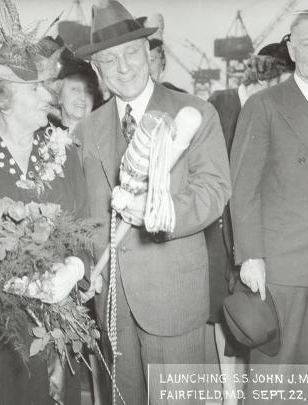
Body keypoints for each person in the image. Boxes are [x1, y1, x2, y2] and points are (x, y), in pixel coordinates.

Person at [73, 1, 231, 404]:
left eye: (131, 53)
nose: (123, 66)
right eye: (110, 59)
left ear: (149, 54)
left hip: (173, 296)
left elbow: (214, 190)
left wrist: (158, 212)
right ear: (97, 69)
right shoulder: (88, 129)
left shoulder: (194, 112)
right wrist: (84, 267)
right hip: (112, 299)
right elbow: (82, 212)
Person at [0, 35, 89, 405]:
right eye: (38, 88)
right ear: (3, 97)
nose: (49, 97)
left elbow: (85, 232)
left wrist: (74, 268)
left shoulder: (64, 151)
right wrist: (22, 283)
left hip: (54, 322)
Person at [230, 9, 308, 401]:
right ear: (292, 48)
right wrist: (250, 256)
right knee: (273, 377)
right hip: (280, 265)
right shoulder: (264, 105)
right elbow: (242, 187)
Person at [206, 39, 294, 403]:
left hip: (258, 225)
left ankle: (253, 389)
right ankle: (229, 392)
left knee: (256, 309)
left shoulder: (271, 108)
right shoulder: (221, 104)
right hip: (220, 229)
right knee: (223, 310)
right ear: (265, 79)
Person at [53, 49, 103, 133]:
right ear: (59, 97)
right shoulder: (42, 139)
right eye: (75, 89)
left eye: (88, 91)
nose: (83, 97)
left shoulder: (105, 139)